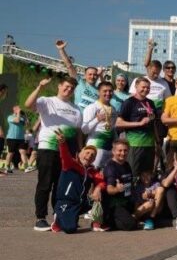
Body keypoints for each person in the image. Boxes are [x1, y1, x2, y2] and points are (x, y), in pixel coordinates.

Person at [25, 75, 83, 231]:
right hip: (48, 149)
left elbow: (78, 132)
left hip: (68, 153)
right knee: (45, 184)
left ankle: (59, 216)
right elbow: (28, 104)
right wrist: (40, 87)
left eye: (71, 88)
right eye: (66, 86)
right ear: (59, 86)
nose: (68, 90)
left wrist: (79, 150)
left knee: (61, 186)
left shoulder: (76, 109)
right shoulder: (47, 101)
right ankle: (40, 218)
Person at [50, 132, 104, 233]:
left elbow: (101, 181)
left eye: (93, 155)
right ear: (80, 154)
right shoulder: (70, 164)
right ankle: (58, 219)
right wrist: (62, 143)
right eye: (87, 152)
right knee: (70, 229)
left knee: (104, 195)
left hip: (82, 202)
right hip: (67, 202)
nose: (89, 156)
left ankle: (96, 221)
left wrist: (98, 189)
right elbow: (64, 155)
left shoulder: (92, 171)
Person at [116, 78, 158, 178]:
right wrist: (139, 123)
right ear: (136, 87)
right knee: (133, 173)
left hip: (150, 145)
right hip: (135, 144)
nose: (146, 89)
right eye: (143, 87)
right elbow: (118, 123)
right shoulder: (129, 102)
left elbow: (154, 124)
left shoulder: (151, 103)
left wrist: (158, 142)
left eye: (148, 88)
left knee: (147, 175)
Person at [101, 140, 139, 231]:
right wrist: (117, 189)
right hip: (114, 204)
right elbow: (109, 190)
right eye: (120, 150)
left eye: (125, 150)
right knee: (131, 225)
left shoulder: (126, 164)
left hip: (126, 201)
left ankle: (128, 218)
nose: (123, 153)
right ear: (113, 151)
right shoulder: (111, 167)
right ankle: (107, 221)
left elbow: (130, 184)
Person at [82, 82, 117, 168]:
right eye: (105, 91)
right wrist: (97, 119)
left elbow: (112, 129)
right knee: (92, 172)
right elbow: (84, 130)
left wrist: (116, 144)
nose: (108, 93)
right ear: (99, 92)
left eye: (110, 91)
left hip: (109, 148)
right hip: (95, 148)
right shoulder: (92, 107)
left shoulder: (113, 109)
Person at [3, 105, 30, 173]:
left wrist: (25, 115)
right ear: (14, 109)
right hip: (11, 138)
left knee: (23, 152)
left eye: (19, 108)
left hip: (21, 138)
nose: (19, 109)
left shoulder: (22, 118)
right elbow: (17, 121)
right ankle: (7, 167)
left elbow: (27, 124)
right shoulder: (10, 117)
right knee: (11, 153)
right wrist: (18, 113)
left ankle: (26, 167)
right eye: (17, 108)